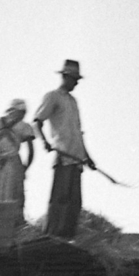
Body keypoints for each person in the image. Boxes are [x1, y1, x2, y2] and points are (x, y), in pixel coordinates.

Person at [33, 60, 96, 238]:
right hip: (63, 155)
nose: (76, 83)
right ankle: (52, 235)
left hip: (77, 158)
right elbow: (37, 122)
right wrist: (44, 141)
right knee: (60, 199)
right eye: (74, 79)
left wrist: (87, 157)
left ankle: (68, 237)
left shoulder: (74, 102)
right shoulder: (52, 97)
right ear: (65, 77)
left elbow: (78, 132)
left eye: (77, 79)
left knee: (74, 202)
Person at [0, 99, 37, 219]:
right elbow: (31, 152)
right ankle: (11, 225)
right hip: (12, 163)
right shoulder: (24, 127)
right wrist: (25, 167)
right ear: (18, 112)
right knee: (13, 195)